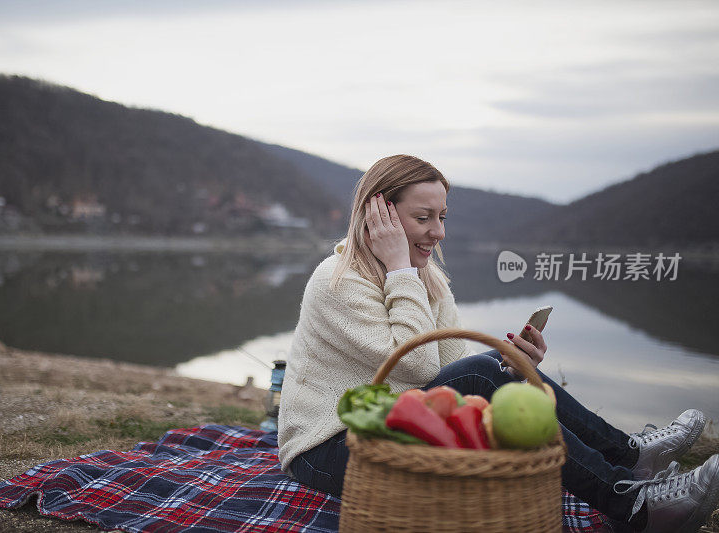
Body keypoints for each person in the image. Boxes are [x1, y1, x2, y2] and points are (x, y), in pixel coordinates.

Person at [277, 154, 719, 533]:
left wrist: (513, 373)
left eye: (442, 216)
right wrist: (399, 268)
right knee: (483, 371)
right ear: (381, 216)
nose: (438, 232)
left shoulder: (424, 278)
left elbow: (451, 374)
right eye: (423, 218)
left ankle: (630, 460)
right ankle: (633, 506)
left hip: (397, 425)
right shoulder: (338, 282)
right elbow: (417, 368)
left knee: (494, 366)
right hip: (330, 448)